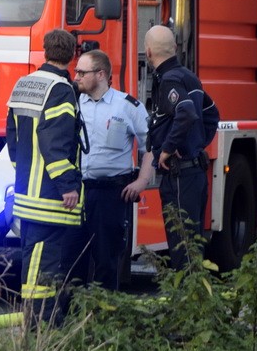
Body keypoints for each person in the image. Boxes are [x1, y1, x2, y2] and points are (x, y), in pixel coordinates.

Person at [6, 29, 84, 325]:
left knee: (32, 261)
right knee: (44, 266)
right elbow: (56, 143)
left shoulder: (24, 84)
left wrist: (23, 169)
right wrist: (68, 185)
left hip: (26, 191)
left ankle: (34, 322)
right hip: (50, 198)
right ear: (73, 55)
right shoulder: (61, 89)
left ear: (44, 50)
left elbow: (12, 137)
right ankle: (41, 325)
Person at [74, 49, 155, 290]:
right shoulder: (74, 104)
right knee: (74, 258)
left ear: (100, 74)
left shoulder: (127, 106)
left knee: (106, 258)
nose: (75, 76)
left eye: (81, 72)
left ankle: (104, 316)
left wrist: (141, 181)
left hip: (111, 193)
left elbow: (149, 146)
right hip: (77, 192)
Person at [144, 25, 219, 272]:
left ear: (148, 52)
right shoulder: (189, 76)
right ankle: (195, 300)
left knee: (182, 247)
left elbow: (185, 111)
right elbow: (211, 114)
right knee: (193, 244)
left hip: (179, 175)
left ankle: (186, 303)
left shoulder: (169, 80)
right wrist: (196, 145)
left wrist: (168, 148)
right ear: (174, 48)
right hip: (193, 172)